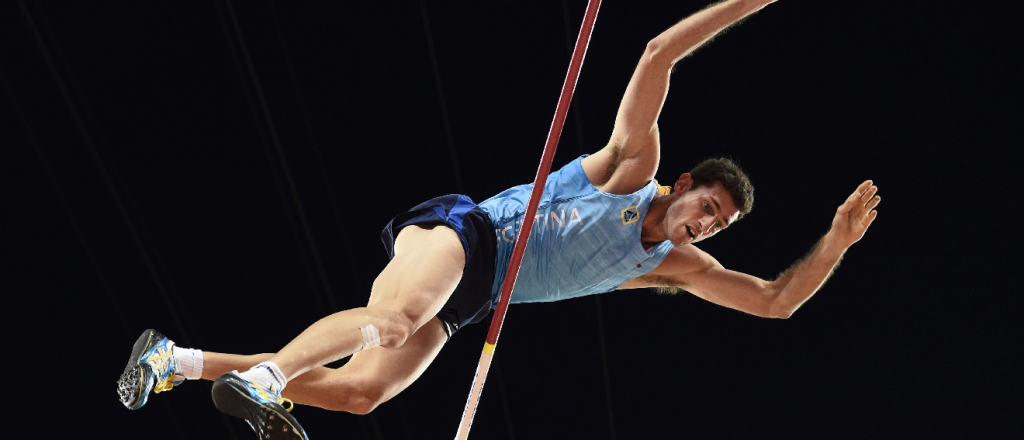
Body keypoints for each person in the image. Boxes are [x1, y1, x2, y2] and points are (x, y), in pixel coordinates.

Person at [117, 1, 880, 439]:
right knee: (391, 319)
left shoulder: (675, 267)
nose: (707, 226)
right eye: (707, 206)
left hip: (478, 298)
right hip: (467, 234)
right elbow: (656, 56)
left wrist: (837, 241)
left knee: (361, 394)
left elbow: (776, 301)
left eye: (718, 226)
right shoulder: (631, 169)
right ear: (683, 186)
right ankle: (272, 376)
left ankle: (177, 362)